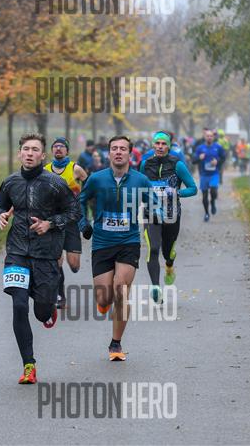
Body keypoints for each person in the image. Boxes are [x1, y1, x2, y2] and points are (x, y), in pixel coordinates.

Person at [0, 133, 80, 384]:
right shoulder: (10, 182)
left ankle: (48, 306)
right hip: (17, 251)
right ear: (19, 153)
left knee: (42, 312)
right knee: (19, 305)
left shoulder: (55, 183)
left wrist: (50, 223)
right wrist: (0, 216)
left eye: (35, 150)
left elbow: (74, 211)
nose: (29, 153)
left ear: (43, 155)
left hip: (46, 254)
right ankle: (28, 365)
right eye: (26, 149)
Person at [78, 135, 155, 361]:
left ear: (130, 153)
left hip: (128, 242)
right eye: (114, 148)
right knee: (104, 298)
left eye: (123, 148)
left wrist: (156, 212)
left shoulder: (140, 180)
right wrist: (83, 223)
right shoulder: (96, 179)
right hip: (102, 242)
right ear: (109, 153)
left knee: (121, 290)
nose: (118, 152)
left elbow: (153, 203)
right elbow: (80, 201)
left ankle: (116, 343)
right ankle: (104, 304)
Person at [139, 131, 196, 303]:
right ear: (153, 145)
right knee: (153, 249)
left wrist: (177, 193)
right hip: (151, 214)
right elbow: (139, 187)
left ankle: (169, 265)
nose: (160, 147)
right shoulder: (145, 165)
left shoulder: (178, 165)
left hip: (172, 215)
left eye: (164, 144)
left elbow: (193, 188)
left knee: (166, 252)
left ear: (169, 146)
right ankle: (156, 288)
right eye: (157, 143)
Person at [44, 137, 88, 309]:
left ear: (67, 150)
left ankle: (70, 270)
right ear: (51, 150)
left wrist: (83, 203)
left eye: (61, 147)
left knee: (74, 265)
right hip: (53, 221)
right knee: (56, 261)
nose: (58, 149)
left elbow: (89, 186)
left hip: (71, 220)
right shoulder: (45, 170)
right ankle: (60, 295)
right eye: (55, 146)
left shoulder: (75, 169)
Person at [193, 128, 225, 222]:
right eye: (207, 136)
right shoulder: (200, 148)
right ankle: (206, 213)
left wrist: (217, 161)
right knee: (204, 195)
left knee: (214, 190)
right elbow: (193, 161)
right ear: (205, 137)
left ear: (213, 137)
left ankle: (213, 201)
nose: (209, 137)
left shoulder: (218, 147)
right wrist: (199, 158)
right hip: (203, 174)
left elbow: (223, 157)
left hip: (214, 173)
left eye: (211, 136)